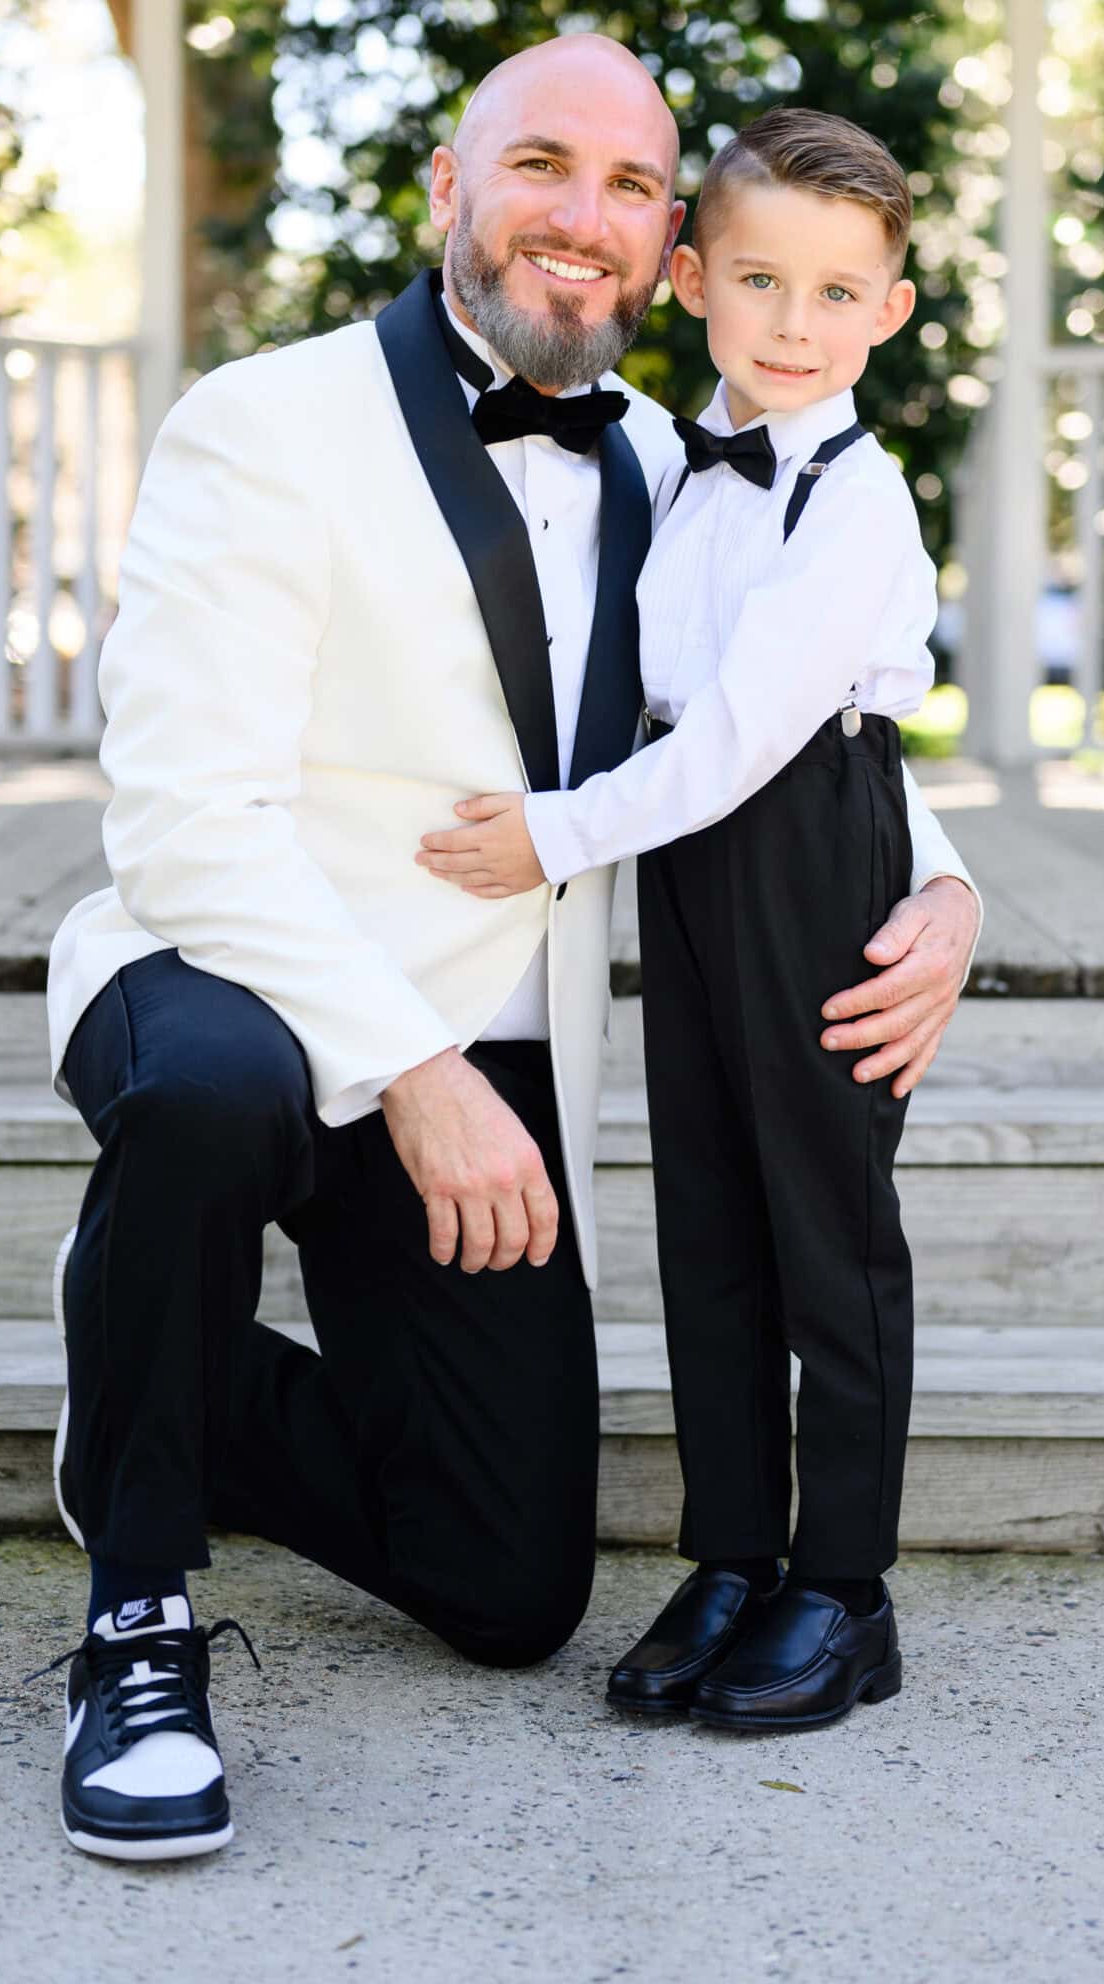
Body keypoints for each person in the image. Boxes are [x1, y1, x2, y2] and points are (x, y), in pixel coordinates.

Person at [40, 39, 981, 1861]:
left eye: (630, 185)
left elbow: (786, 708)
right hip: (240, 974)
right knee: (213, 1096)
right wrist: (410, 1068)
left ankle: (158, 1364)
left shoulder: (679, 452)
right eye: (541, 162)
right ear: (447, 189)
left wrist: (946, 893)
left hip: (500, 1021)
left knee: (505, 1582)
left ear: (665, 242)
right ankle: (138, 1622)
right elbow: (181, 818)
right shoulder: (266, 418)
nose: (583, 215)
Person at [417, 107, 943, 1732]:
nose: (795, 325)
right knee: (709, 1223)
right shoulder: (663, 455)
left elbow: (745, 739)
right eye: (762, 281)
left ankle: (844, 1589)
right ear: (695, 280)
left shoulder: (857, 501)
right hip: (693, 859)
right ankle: (731, 1558)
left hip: (809, 846)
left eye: (837, 294)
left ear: (890, 312)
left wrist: (551, 838)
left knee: (827, 1239)